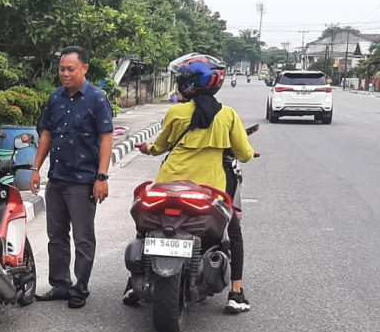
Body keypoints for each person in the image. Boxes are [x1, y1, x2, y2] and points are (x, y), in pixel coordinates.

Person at [137, 53, 255, 314]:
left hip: (168, 186)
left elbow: (159, 147)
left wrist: (146, 148)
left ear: (190, 83)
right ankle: (236, 292)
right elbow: (245, 154)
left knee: (146, 227)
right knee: (233, 232)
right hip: (208, 192)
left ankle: (132, 286)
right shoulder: (228, 116)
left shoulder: (176, 112)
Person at [29, 46, 114, 309]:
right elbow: (46, 133)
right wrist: (35, 168)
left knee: (83, 237)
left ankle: (80, 287)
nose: (64, 74)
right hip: (57, 178)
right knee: (56, 234)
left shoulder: (97, 99)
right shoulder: (55, 98)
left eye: (70, 69)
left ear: (84, 69)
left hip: (83, 181)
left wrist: (102, 176)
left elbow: (106, 138)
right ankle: (60, 284)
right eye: (62, 69)